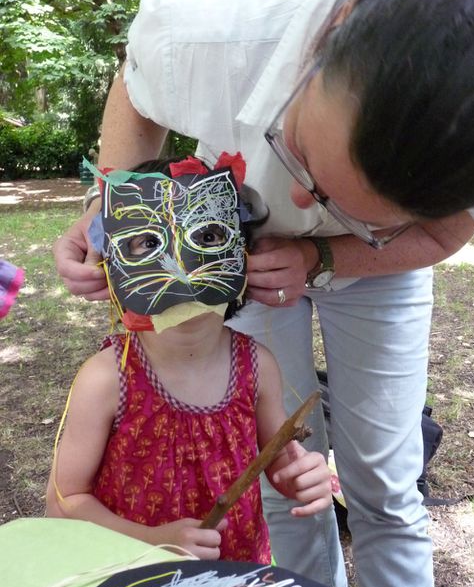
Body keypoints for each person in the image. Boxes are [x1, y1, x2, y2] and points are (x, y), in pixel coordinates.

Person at [53, 0, 474, 587]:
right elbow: (137, 103)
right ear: (330, 36)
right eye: (298, 151)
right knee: (281, 471)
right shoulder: (209, 25)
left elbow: (437, 237)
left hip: (382, 272)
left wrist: (328, 251)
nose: (296, 198)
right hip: (246, 259)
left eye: (347, 203)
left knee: (386, 489)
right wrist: (113, 213)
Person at [46, 155, 332, 562]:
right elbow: (64, 499)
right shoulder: (105, 380)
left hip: (233, 580)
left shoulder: (257, 367)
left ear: (242, 253)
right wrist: (150, 541)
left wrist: (302, 476)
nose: (182, 269)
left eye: (209, 235)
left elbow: (278, 463)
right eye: (147, 242)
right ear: (110, 264)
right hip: (132, 580)